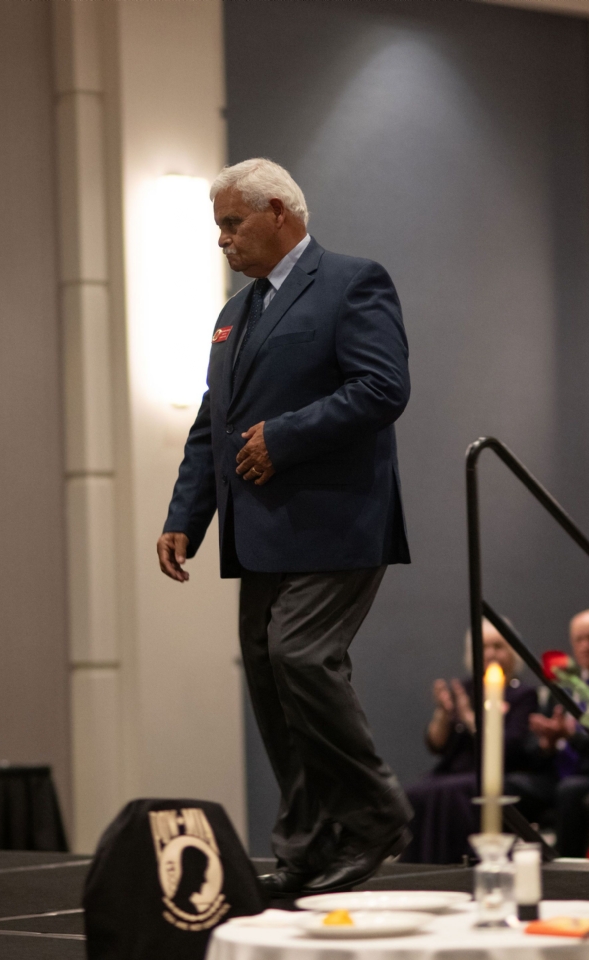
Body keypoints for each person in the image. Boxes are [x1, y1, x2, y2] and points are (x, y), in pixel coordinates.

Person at [157, 158, 412, 896]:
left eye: (232, 224)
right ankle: (306, 848)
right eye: (219, 228)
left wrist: (285, 436)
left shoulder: (353, 281)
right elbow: (212, 423)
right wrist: (185, 517)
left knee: (300, 657)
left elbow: (383, 386)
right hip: (259, 531)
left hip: (336, 522)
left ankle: (374, 814)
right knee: (273, 685)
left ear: (278, 211)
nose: (222, 240)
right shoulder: (233, 313)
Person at [402, 620, 545, 864]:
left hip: (501, 771)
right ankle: (422, 865)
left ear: (512, 652)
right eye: (485, 647)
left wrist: (470, 719)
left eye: (498, 646)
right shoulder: (465, 689)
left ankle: (458, 863)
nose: (491, 653)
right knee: (417, 792)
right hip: (457, 770)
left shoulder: (522, 694)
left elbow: (510, 746)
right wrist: (443, 715)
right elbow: (437, 746)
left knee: (461, 790)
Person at [529, 609, 589, 857]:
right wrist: (547, 743)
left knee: (569, 791)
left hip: (583, 776)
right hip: (556, 773)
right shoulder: (561, 687)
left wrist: (572, 736)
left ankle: (566, 869)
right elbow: (533, 746)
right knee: (508, 785)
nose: (585, 646)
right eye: (579, 639)